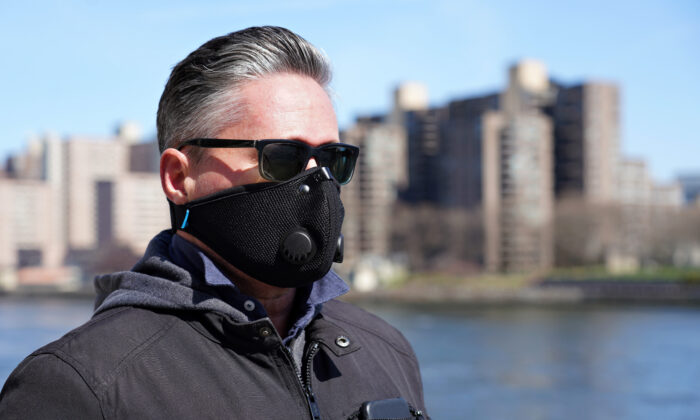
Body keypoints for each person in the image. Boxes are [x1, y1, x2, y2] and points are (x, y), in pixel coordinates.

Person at [0, 26, 428, 419]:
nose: (317, 182)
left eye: (332, 159)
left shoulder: (385, 349)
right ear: (178, 177)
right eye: (282, 157)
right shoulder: (80, 385)